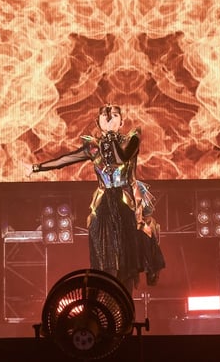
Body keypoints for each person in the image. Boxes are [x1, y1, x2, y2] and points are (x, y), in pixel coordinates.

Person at [23, 104, 165, 294]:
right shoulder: (93, 147)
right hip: (105, 201)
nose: (110, 119)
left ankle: (135, 283)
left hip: (126, 200)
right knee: (106, 253)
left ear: (121, 121)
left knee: (127, 256)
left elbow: (120, 158)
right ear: (97, 122)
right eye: (105, 117)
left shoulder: (132, 139)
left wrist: (110, 135)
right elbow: (65, 160)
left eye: (115, 116)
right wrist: (37, 168)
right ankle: (106, 291)